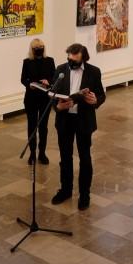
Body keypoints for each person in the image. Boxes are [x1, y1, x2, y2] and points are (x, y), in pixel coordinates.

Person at [51, 43, 106, 211]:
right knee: (65, 157)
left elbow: (101, 95)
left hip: (83, 120)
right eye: (69, 59)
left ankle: (84, 194)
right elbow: (53, 94)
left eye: (74, 61)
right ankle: (65, 190)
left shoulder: (93, 72)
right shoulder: (60, 70)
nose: (71, 63)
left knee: (85, 158)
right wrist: (58, 106)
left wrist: (95, 101)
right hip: (65, 120)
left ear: (83, 59)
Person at [20, 39, 56, 165]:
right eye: (36, 47)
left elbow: (54, 77)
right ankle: (32, 153)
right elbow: (23, 79)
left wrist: (49, 82)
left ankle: (42, 153)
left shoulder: (49, 60)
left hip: (45, 98)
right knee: (32, 126)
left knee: (43, 126)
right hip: (31, 98)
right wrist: (29, 84)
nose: (39, 49)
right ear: (32, 49)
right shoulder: (27, 62)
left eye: (41, 47)